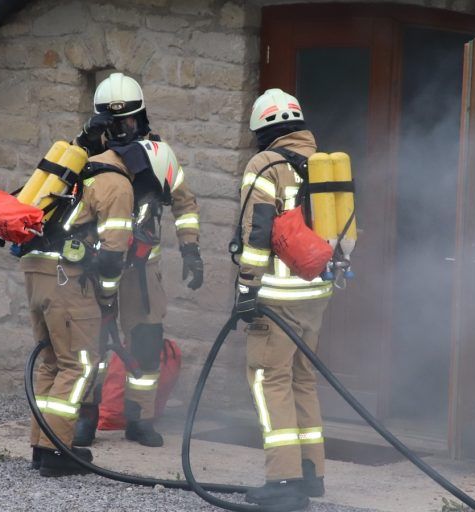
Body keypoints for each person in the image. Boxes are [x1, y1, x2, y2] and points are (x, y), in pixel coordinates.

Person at [70, 73, 203, 448]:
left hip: (143, 272)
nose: (120, 129)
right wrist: (82, 141)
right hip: (93, 270)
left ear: (140, 118)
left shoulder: (160, 157)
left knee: (146, 341)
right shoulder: (84, 157)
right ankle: (85, 417)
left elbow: (185, 204)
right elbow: (59, 190)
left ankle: (140, 419)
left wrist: (191, 250)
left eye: (126, 120)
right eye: (111, 123)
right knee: (91, 347)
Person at [235, 88, 332, 507]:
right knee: (302, 380)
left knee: (268, 381)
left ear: (262, 130)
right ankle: (312, 474)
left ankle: (284, 483)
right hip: (316, 294)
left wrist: (246, 285)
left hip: (276, 297)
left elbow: (257, 232)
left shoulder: (265, 164)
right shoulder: (324, 165)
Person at [24, 122, 134, 476]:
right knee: (78, 366)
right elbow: (115, 254)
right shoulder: (116, 183)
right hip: (68, 282)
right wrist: (106, 294)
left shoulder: (72, 170)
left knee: (52, 363)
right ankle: (59, 455)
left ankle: (41, 448)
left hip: (37, 273)